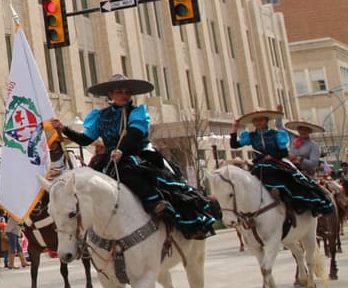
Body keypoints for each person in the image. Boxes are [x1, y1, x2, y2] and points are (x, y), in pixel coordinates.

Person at [51, 74, 218, 239]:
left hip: (135, 153)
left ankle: (155, 203)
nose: (124, 95)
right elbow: (85, 139)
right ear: (110, 94)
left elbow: (135, 133)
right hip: (111, 158)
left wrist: (121, 150)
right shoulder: (100, 116)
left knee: (128, 171)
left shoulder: (136, 112)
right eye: (119, 92)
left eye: (127, 92)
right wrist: (64, 129)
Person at [231, 108, 334, 215]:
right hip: (259, 164)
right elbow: (234, 145)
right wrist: (234, 129)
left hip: (276, 162)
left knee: (293, 179)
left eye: (261, 120)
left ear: (266, 120)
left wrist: (273, 156)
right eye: (255, 120)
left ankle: (291, 199)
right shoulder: (251, 136)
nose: (258, 122)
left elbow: (284, 152)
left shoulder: (277, 134)